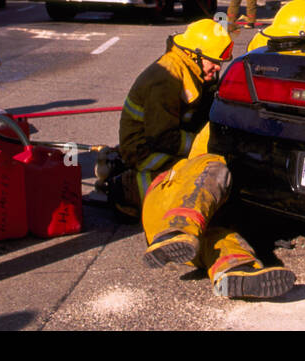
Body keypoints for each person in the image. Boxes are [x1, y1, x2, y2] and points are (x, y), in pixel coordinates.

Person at [118, 17, 296, 298]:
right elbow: (161, 137)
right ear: (194, 53)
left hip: (164, 216)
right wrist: (207, 146)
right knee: (212, 168)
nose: (216, 68)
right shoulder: (166, 77)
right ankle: (178, 229)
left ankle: (236, 269)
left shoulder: (194, 73)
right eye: (213, 62)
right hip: (149, 159)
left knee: (218, 229)